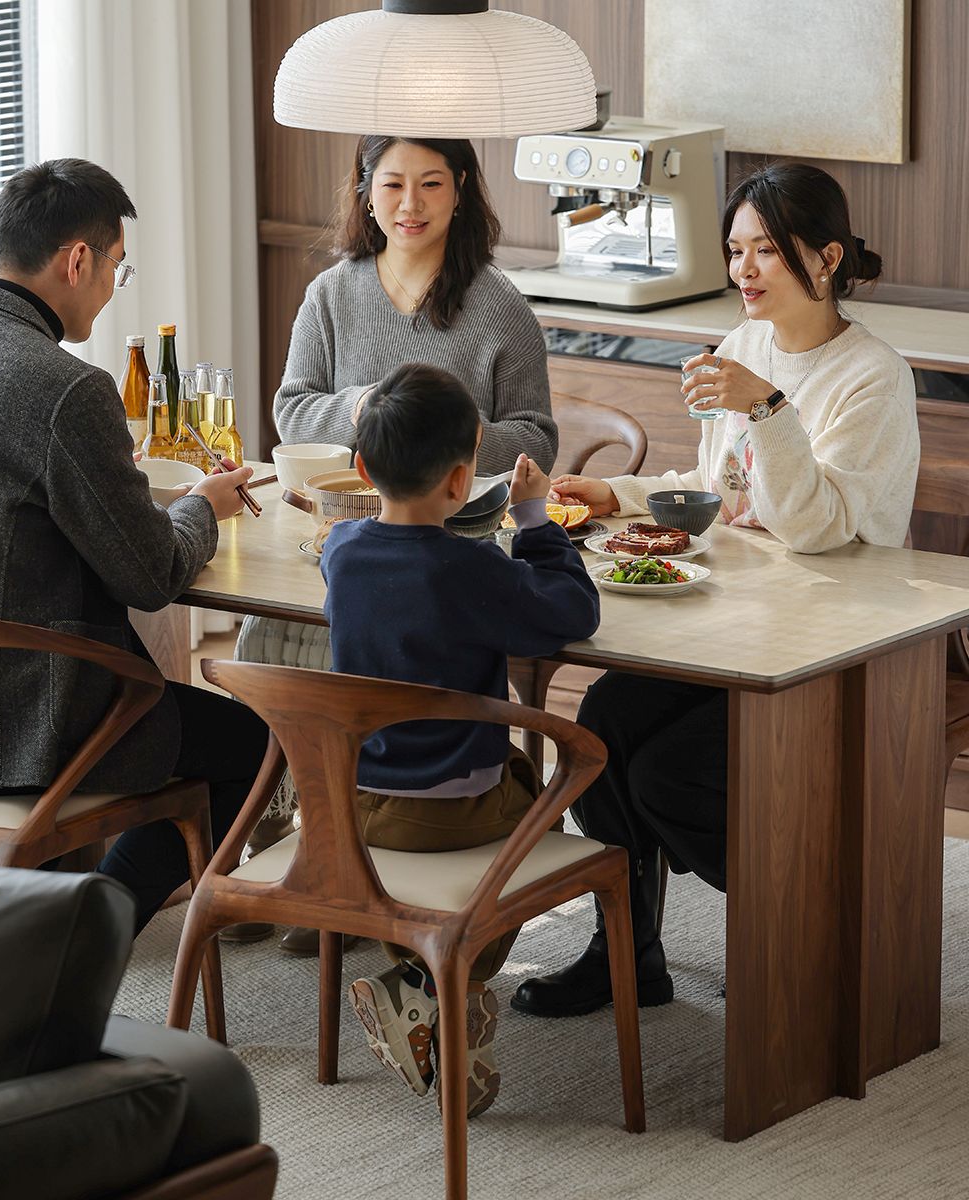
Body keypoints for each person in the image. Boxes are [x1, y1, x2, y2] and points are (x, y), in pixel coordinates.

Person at [511, 162, 920, 1019]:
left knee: (670, 776)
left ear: (828, 256)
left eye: (767, 250)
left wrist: (769, 409)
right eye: (736, 250)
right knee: (605, 726)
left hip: (829, 639)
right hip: (734, 621)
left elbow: (817, 528)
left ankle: (800, 931)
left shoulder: (872, 376)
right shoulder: (743, 347)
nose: (744, 270)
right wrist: (615, 495)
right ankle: (627, 952)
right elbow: (717, 493)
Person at [0, 158, 268, 935]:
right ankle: (88, 933)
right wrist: (204, 506)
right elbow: (152, 574)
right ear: (77, 259)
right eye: (116, 268)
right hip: (23, 724)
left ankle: (65, 906)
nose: (110, 289)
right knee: (257, 743)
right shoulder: (65, 387)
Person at [235, 134, 558, 954]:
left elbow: (537, 436)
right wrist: (363, 410)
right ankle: (307, 854)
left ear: (459, 193)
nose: (410, 204)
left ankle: (347, 861)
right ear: (366, 193)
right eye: (393, 185)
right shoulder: (331, 295)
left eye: (430, 185)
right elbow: (291, 409)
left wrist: (439, 437)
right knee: (269, 635)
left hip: (462, 544)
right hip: (343, 536)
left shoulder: (498, 305)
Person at [322, 362, 600, 1117]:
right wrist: (536, 521)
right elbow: (573, 612)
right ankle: (436, 987)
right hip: (451, 820)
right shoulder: (470, 568)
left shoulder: (342, 552)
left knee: (500, 789)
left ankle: (429, 994)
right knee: (537, 805)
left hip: (355, 808)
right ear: (459, 481)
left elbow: (352, 549)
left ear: (359, 467)